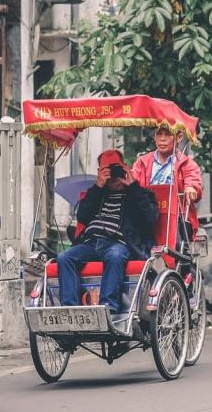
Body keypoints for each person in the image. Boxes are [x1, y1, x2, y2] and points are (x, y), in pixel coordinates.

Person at [58, 149, 159, 316]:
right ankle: (71, 311)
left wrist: (133, 186)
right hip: (90, 243)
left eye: (117, 169)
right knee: (64, 257)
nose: (113, 176)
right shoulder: (96, 192)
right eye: (108, 171)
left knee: (114, 256)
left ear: (125, 168)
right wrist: (98, 186)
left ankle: (108, 308)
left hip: (119, 244)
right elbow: (82, 216)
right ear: (100, 172)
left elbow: (150, 219)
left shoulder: (139, 193)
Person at [131, 124, 201, 239]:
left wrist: (191, 187)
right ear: (154, 137)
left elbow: (193, 180)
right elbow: (132, 182)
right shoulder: (142, 162)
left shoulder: (187, 164)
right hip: (146, 216)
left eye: (168, 134)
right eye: (159, 134)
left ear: (179, 137)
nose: (162, 139)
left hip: (176, 219)